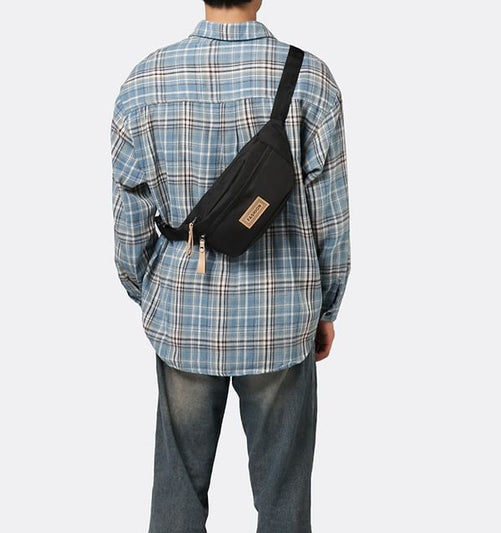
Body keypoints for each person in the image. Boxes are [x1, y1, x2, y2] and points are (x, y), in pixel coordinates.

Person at [110, 1, 351, 531]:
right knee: (283, 497)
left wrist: (150, 292)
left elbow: (129, 219)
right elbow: (330, 217)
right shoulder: (311, 80)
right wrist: (327, 307)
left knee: (177, 492)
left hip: (182, 317)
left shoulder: (145, 80)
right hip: (281, 319)